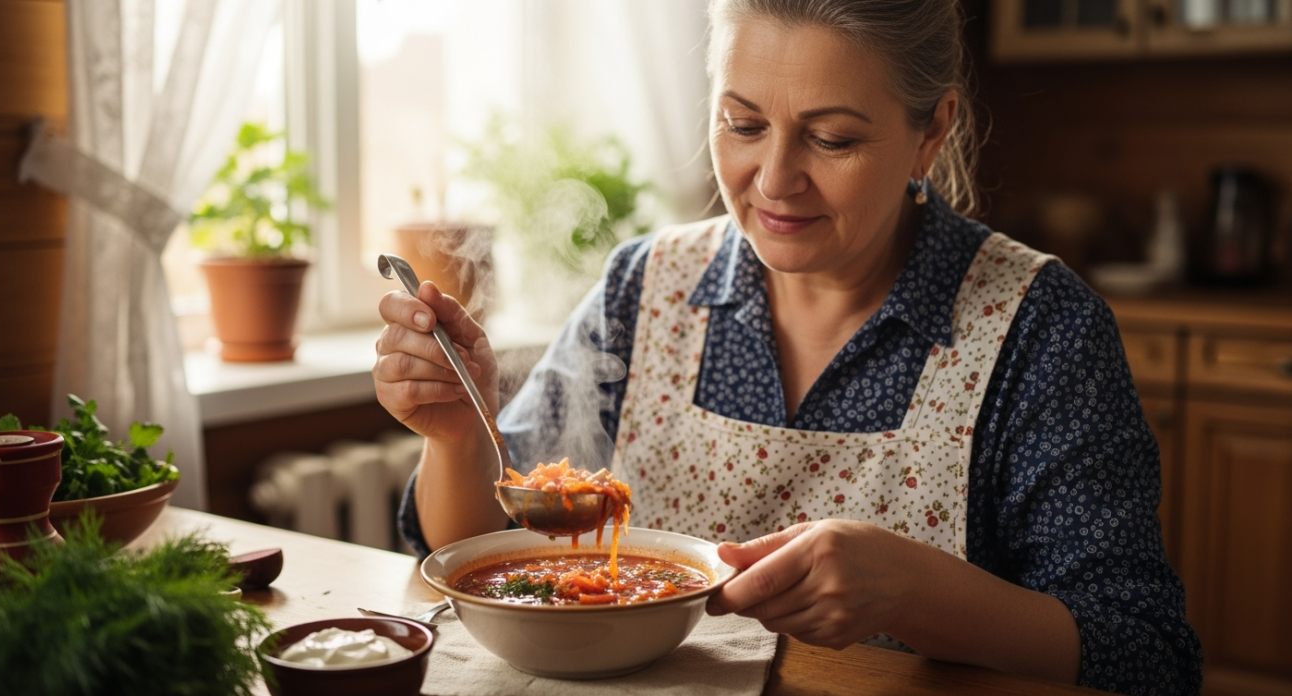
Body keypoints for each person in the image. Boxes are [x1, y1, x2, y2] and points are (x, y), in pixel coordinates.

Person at [373, 1, 1203, 693]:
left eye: (831, 138)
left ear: (931, 131)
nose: (773, 179)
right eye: (741, 123)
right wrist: (452, 435)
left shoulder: (1039, 329)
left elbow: (1145, 654)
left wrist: (915, 595)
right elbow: (474, 548)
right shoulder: (644, 287)